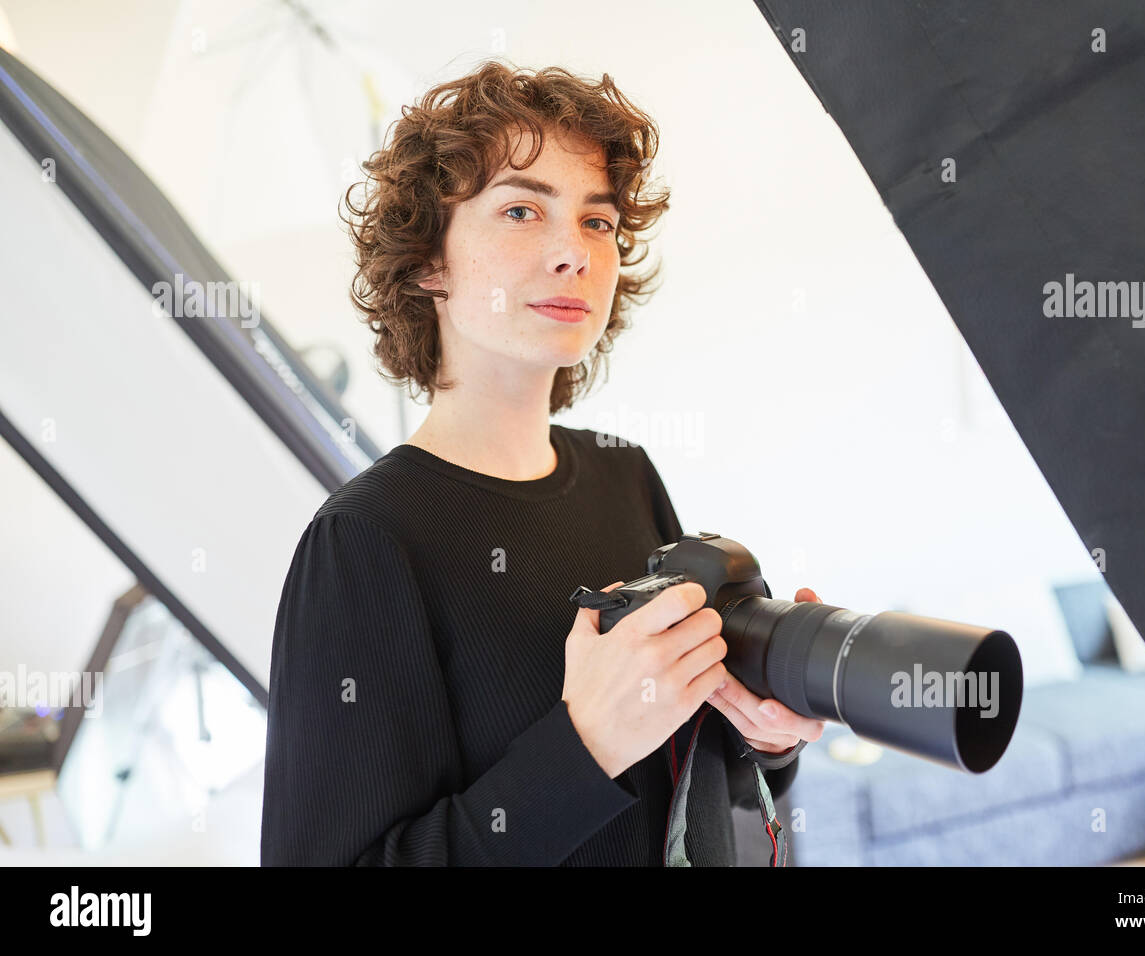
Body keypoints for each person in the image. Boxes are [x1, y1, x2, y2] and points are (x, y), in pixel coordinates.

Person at [259, 59, 824, 867]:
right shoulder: (366, 543)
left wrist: (766, 745)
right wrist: (584, 745)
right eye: (523, 210)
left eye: (598, 222)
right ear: (429, 263)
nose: (575, 252)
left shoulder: (624, 474)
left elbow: (690, 787)